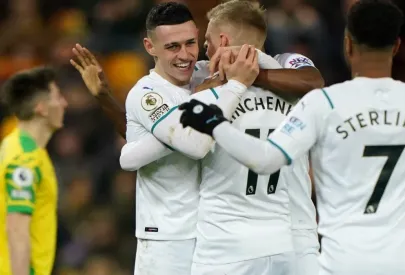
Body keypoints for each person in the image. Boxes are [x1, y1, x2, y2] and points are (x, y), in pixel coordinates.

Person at [178, 0, 405, 274]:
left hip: (340, 259)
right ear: (396, 46)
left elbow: (264, 159)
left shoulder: (325, 103)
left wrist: (216, 123)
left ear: (347, 45)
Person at [71, 2, 324, 275]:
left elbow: (313, 81)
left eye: (194, 42)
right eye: (172, 46)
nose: (189, 54)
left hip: (226, 236)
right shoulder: (150, 91)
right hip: (170, 234)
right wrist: (107, 100)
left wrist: (241, 78)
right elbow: (169, 135)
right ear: (149, 47)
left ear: (220, 40)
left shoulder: (215, 74)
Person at [0, 67, 67, 275]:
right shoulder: (25, 160)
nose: (64, 103)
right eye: (57, 97)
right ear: (41, 108)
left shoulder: (18, 147)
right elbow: (17, 228)